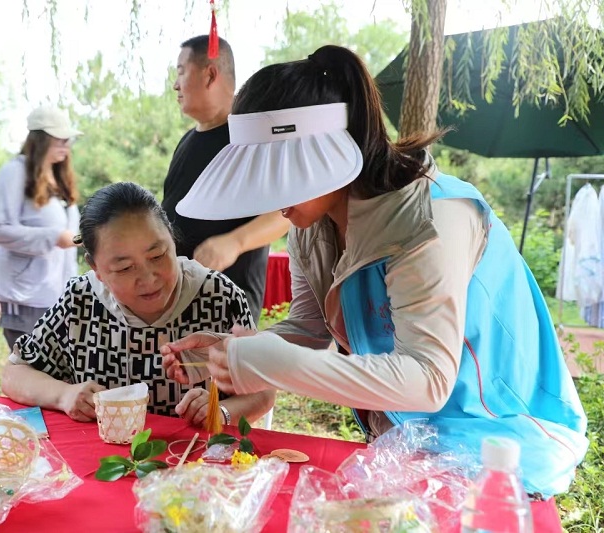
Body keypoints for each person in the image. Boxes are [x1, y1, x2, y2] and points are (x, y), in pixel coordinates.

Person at [162, 45, 587, 496]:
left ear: (321, 155)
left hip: (503, 441)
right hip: (412, 444)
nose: (268, 194)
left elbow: (428, 380)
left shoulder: (430, 219)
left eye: (276, 173)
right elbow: (308, 330)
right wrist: (226, 353)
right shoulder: (310, 226)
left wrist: (271, 364)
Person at [1, 182, 274, 428]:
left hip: (194, 459)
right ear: (96, 269)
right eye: (124, 268)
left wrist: (221, 411)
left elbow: (263, 391)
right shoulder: (81, 300)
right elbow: (15, 373)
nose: (148, 279)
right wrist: (64, 394)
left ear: (172, 239)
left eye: (158, 255)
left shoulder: (219, 297)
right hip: (101, 457)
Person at [163, 35, 289, 321]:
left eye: (181, 72)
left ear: (210, 74)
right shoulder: (186, 141)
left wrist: (235, 242)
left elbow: (288, 211)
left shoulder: (252, 137)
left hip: (227, 306)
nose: (175, 85)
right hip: (178, 300)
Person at [0, 105, 82, 349]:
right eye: (60, 139)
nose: (66, 145)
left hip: (56, 295)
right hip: (24, 295)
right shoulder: (14, 172)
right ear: (41, 140)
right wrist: (53, 237)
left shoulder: (59, 177)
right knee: (29, 365)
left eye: (68, 139)